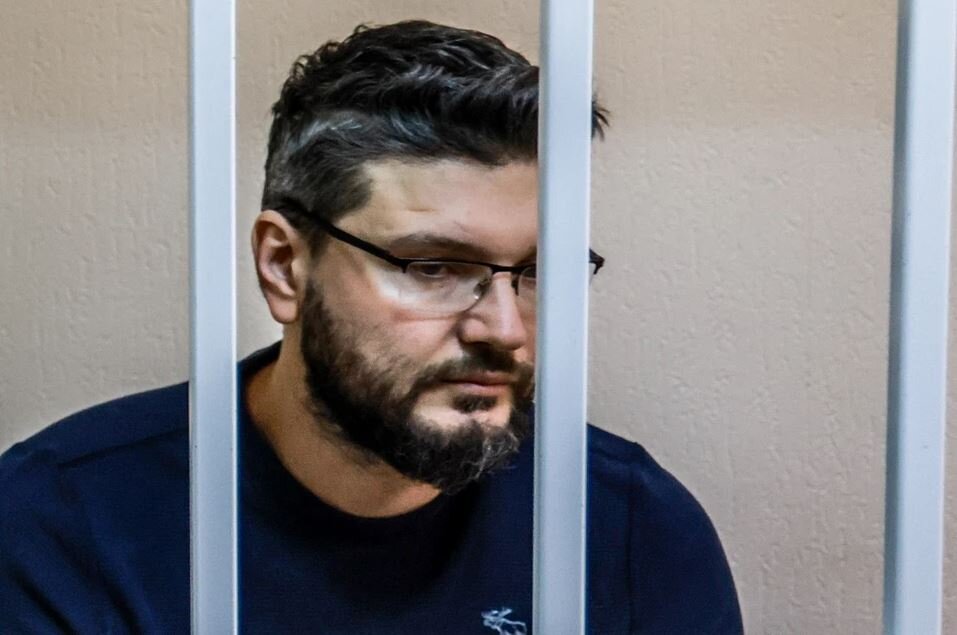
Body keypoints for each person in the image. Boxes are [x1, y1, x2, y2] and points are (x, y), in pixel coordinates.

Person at [0, 20, 742, 634]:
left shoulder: (625, 529)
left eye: (537, 271)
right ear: (284, 267)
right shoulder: (64, 527)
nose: (504, 328)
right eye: (434, 266)